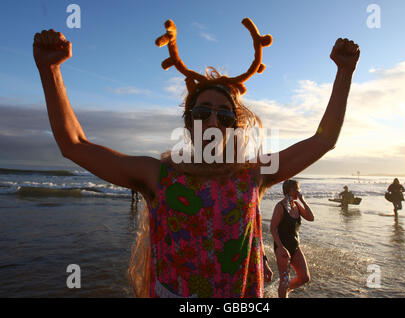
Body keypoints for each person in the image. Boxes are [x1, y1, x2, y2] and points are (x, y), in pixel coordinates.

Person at [32, 18, 359, 298]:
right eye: (203, 112)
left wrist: (344, 72)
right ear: (189, 123)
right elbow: (74, 145)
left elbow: (324, 139)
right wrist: (50, 70)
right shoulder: (156, 174)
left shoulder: (253, 175)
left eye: (224, 116)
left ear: (234, 127)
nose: (214, 122)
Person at [270, 180, 314, 298]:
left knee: (305, 277)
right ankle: (283, 292)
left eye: (299, 189)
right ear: (287, 191)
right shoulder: (280, 207)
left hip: (295, 246)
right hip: (282, 247)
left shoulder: (297, 205)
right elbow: (273, 229)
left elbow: (311, 218)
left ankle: (285, 291)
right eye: (296, 189)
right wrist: (280, 247)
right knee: (284, 279)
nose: (298, 192)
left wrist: (303, 201)